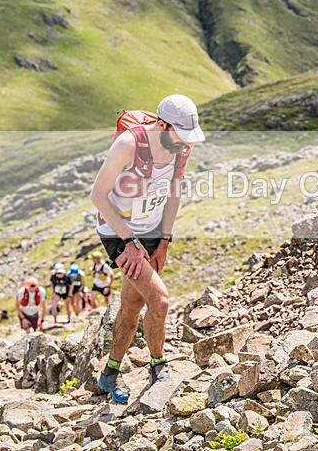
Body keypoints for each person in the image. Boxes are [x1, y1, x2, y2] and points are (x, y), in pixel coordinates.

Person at [90, 94, 204, 403]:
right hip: (119, 231)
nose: (185, 143)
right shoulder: (128, 145)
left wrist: (165, 239)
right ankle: (158, 366)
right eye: (180, 135)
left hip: (152, 229)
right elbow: (98, 196)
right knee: (160, 300)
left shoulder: (182, 147)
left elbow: (174, 193)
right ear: (163, 125)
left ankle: (110, 374)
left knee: (132, 304)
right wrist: (129, 242)